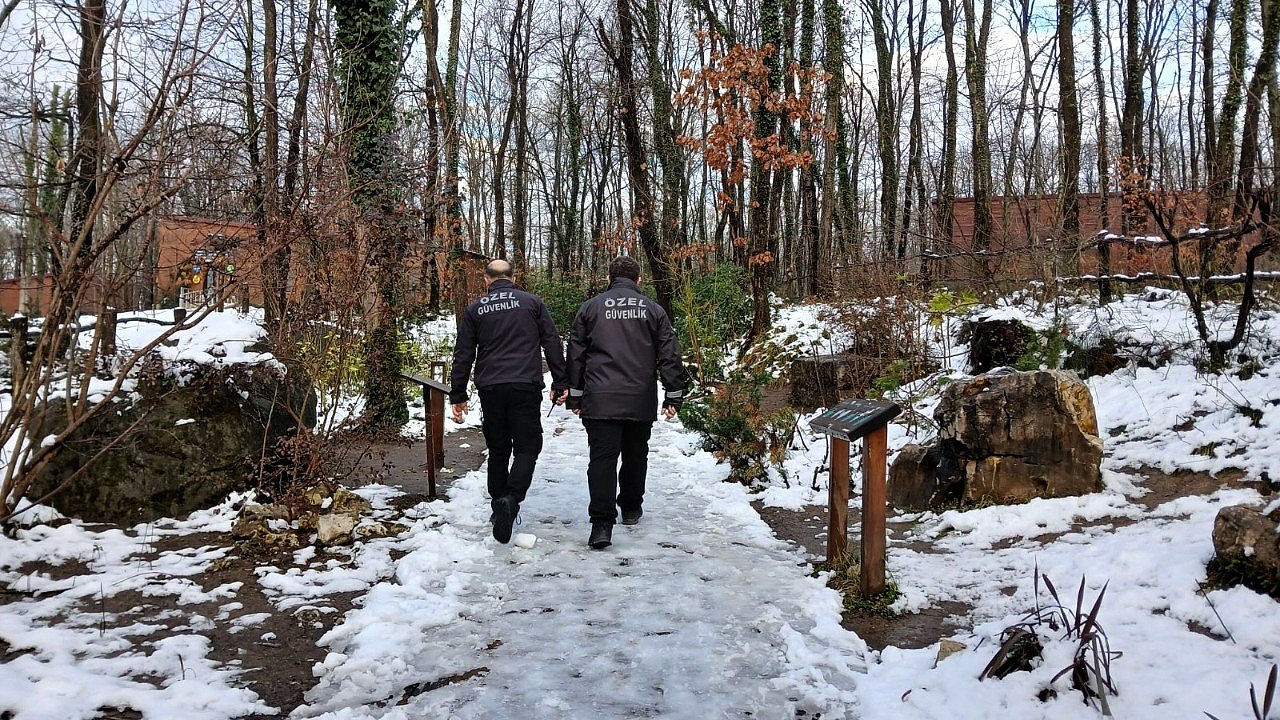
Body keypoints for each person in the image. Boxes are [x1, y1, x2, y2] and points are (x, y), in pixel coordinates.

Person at [565, 255, 686, 549]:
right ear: (639, 280)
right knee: (635, 454)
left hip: (600, 397)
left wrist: (576, 393)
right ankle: (631, 507)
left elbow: (576, 353)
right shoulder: (653, 310)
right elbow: (669, 353)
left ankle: (601, 524)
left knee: (602, 459)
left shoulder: (590, 308)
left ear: (609, 279)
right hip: (638, 397)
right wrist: (673, 393)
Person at [450, 259, 568, 544]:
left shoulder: (475, 309)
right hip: (524, 384)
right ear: (513, 279)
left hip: (491, 387)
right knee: (528, 446)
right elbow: (551, 342)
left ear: (486, 280)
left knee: (498, 448)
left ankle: (497, 506)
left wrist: (458, 394)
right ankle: (512, 498)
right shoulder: (532, 304)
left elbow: (464, 352)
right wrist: (561, 381)